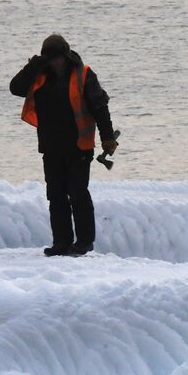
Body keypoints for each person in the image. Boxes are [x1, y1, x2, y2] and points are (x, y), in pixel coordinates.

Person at [10, 34, 118, 256]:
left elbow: (100, 107)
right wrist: (33, 65)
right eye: (50, 58)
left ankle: (84, 242)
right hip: (51, 146)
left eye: (58, 57)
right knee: (56, 195)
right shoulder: (40, 74)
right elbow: (16, 88)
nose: (55, 62)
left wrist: (107, 137)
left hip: (79, 146)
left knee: (78, 193)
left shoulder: (84, 74)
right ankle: (61, 243)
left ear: (66, 56)